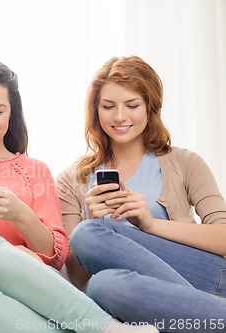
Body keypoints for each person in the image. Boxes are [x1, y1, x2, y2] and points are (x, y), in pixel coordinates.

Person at [0, 59, 158, 332]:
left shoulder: (34, 171)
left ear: (11, 111)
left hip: (29, 300)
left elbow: (55, 255)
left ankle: (106, 328)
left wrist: (20, 214)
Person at [56, 56, 226, 332]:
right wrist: (91, 218)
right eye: (108, 106)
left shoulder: (185, 163)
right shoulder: (71, 179)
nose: (120, 116)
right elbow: (74, 277)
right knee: (102, 283)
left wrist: (149, 223)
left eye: (132, 105)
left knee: (89, 236)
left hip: (208, 279)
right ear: (95, 111)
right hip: (141, 298)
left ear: (150, 107)